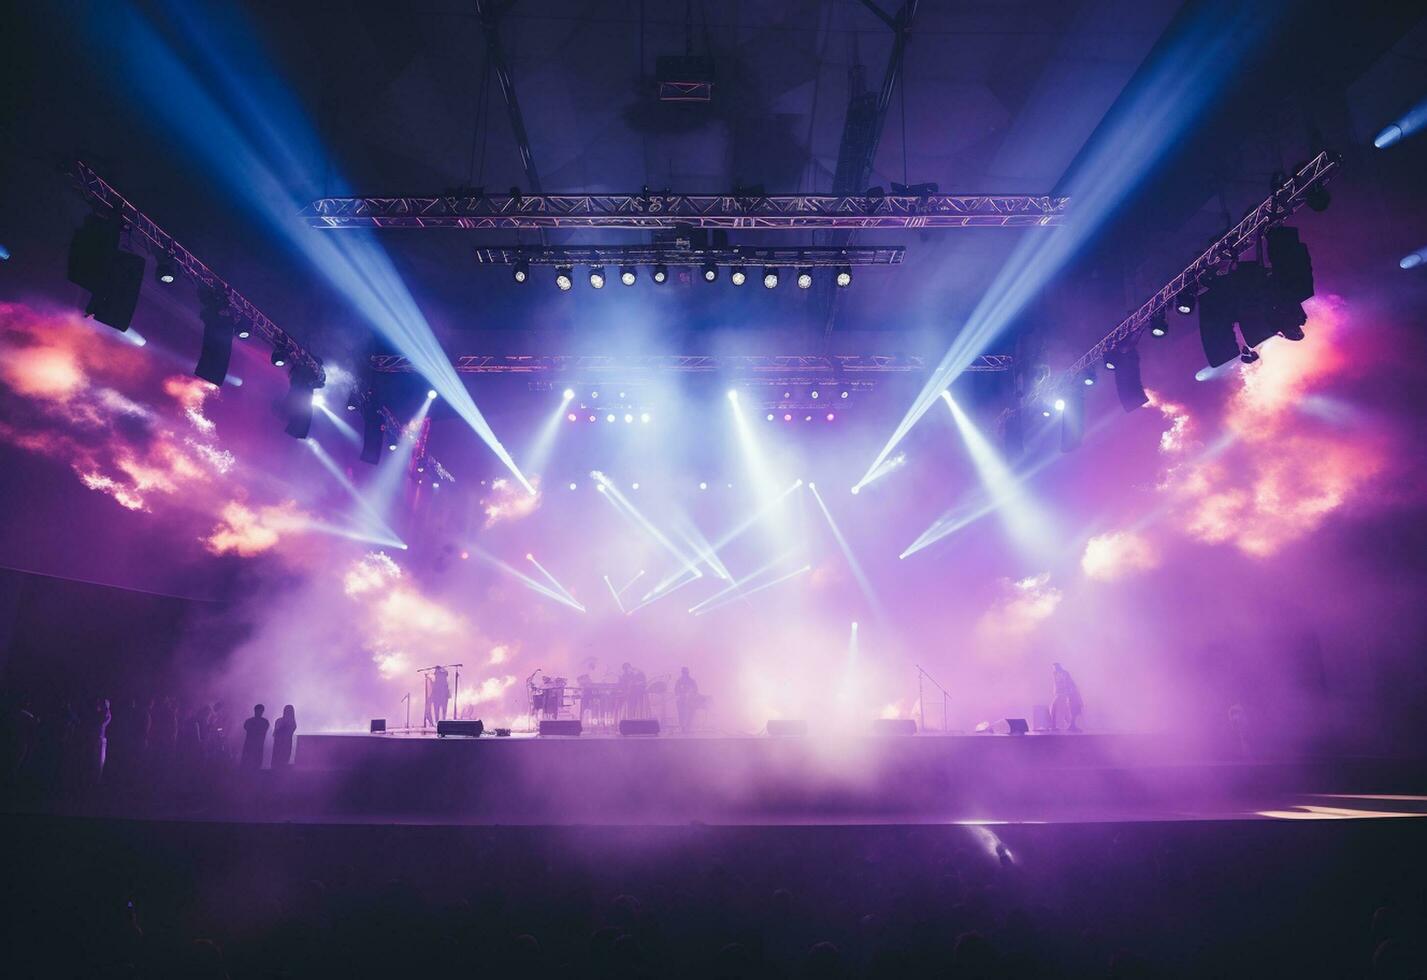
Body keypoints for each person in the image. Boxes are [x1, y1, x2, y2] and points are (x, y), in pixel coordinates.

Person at [1050, 663, 1083, 732]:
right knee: (1055, 708)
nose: (1054, 669)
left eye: (1056, 667)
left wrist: (1069, 692)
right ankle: (1059, 725)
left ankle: (1067, 725)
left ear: (1059, 667)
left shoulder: (1064, 674)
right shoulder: (1056, 674)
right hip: (1061, 694)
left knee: (1066, 710)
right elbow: (1058, 685)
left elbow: (1068, 684)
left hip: (1065, 694)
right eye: (1054, 668)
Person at [240, 704, 269, 770]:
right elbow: (247, 728)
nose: (259, 712)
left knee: (256, 764)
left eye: (260, 711)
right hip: (249, 746)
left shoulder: (264, 722)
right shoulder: (249, 721)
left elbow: (262, 730)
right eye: (257, 710)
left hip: (258, 746)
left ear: (262, 711)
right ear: (255, 711)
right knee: (247, 764)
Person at [674, 667, 699, 733]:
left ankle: (688, 726)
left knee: (690, 714)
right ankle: (682, 726)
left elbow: (696, 690)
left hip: (690, 701)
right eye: (683, 672)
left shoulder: (692, 681)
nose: (685, 674)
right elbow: (676, 690)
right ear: (682, 673)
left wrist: (690, 695)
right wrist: (681, 695)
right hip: (681, 701)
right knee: (681, 714)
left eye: (686, 672)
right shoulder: (679, 681)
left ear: (688, 673)